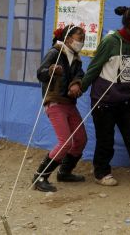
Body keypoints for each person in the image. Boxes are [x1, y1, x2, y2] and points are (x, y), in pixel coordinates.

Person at [81, 6, 130, 186]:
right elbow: (94, 67)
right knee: (105, 139)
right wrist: (81, 88)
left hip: (126, 99)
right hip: (104, 100)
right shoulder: (110, 41)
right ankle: (101, 173)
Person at [33, 25, 87, 192]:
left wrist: (76, 84)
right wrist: (51, 70)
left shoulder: (76, 58)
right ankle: (40, 176)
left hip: (69, 103)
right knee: (65, 142)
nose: (81, 42)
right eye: (80, 39)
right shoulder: (54, 53)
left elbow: (80, 75)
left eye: (83, 40)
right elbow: (40, 73)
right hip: (55, 101)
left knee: (80, 139)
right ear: (69, 39)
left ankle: (64, 172)